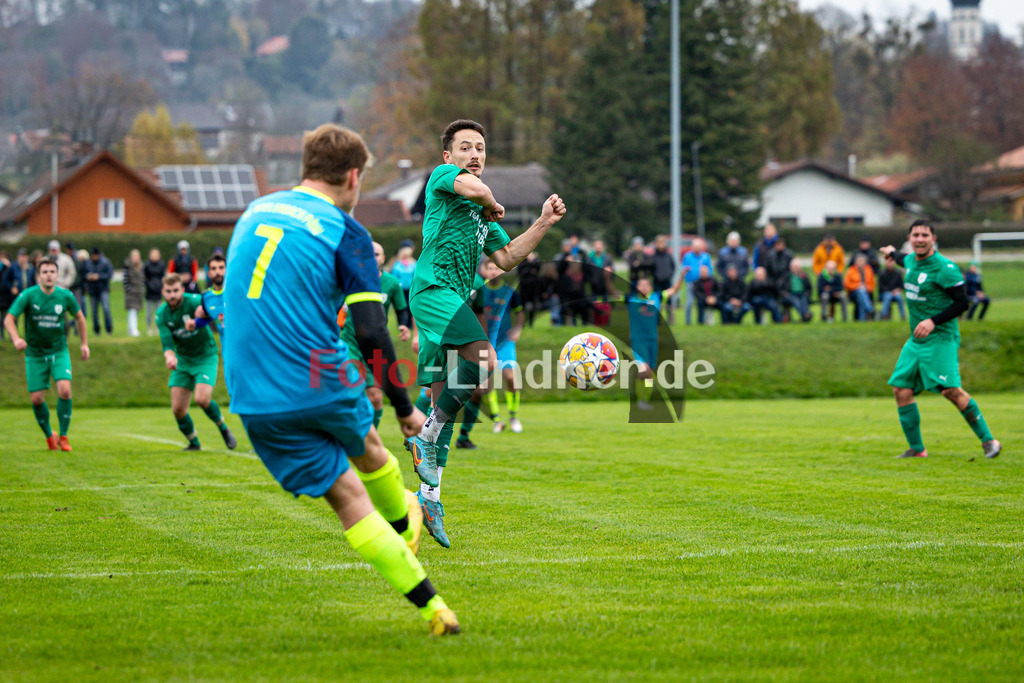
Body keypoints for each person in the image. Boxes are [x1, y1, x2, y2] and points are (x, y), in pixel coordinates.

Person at [223, 123, 458, 635]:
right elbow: (373, 332)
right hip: (316, 375)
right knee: (372, 450)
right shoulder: (345, 231)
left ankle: (434, 606)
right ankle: (409, 525)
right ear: (354, 177)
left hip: (251, 396)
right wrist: (404, 406)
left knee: (349, 498)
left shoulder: (254, 211)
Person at [406, 118, 565, 549]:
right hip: (433, 290)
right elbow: (476, 191)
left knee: (446, 407)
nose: (474, 155)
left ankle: (429, 498)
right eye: (465, 148)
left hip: (450, 299)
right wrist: (492, 200)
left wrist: (544, 221)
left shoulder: (483, 209)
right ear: (448, 156)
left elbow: (509, 255)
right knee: (485, 359)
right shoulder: (443, 179)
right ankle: (422, 437)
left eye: (480, 148)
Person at [881, 220, 1001, 460]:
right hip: (917, 341)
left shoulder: (946, 268)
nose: (920, 239)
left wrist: (933, 321)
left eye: (925, 235)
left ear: (933, 239)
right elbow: (902, 256)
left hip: (942, 337)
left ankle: (989, 441)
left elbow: (962, 303)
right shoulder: (911, 261)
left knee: (951, 391)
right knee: (901, 390)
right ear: (910, 237)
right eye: (916, 235)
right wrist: (890, 252)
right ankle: (917, 449)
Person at [3, 258, 89, 451]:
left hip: (59, 351)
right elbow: (9, 319)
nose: (49, 275)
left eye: (52, 271)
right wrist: (16, 338)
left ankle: (64, 436)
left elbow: (80, 318)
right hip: (35, 354)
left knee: (65, 390)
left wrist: (84, 344)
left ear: (57, 275)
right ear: (38, 275)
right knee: (36, 399)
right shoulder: (28, 295)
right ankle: (50, 436)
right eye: (45, 272)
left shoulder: (65, 296)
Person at [155, 273, 237, 451]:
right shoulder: (161, 314)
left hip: (205, 356)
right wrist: (170, 357)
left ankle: (223, 428)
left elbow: (213, 304)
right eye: (168, 291)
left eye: (176, 290)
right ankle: (194, 443)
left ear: (182, 290)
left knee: (202, 399)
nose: (173, 295)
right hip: (183, 360)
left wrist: (204, 312)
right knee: (177, 409)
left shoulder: (195, 301)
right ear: (163, 292)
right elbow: (167, 344)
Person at [337, 241, 412, 432]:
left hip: (375, 345)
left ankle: (370, 438)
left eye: (376, 254)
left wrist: (404, 325)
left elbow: (402, 310)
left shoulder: (392, 283)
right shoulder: (350, 279)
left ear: (383, 258)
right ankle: (346, 434)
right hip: (350, 342)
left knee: (376, 397)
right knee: (351, 390)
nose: (372, 257)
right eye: (368, 253)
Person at [619, 272, 686, 410]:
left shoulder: (657, 297)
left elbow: (674, 290)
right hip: (637, 340)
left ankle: (645, 399)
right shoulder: (631, 299)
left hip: (652, 340)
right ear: (637, 287)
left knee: (649, 373)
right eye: (640, 285)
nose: (643, 287)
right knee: (644, 368)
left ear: (650, 287)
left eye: (646, 285)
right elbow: (613, 294)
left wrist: (681, 276)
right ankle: (640, 399)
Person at [474, 259, 525, 434]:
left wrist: (518, 329)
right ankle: (497, 419)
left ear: (502, 270)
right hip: (484, 343)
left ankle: (513, 416)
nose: (493, 271)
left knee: (510, 377)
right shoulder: (479, 291)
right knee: (485, 383)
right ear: (485, 270)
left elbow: (520, 313)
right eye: (490, 268)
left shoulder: (509, 292)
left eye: (496, 268)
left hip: (505, 342)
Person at [82, 247, 114, 335]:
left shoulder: (105, 262)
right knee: (94, 311)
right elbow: (83, 275)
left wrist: (98, 276)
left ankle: (109, 329)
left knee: (106, 309)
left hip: (103, 289)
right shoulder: (88, 263)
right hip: (92, 290)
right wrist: (88, 277)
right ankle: (96, 330)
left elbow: (109, 274)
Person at [681, 238, 712, 325]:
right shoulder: (687, 256)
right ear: (692, 247)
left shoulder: (706, 256)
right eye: (696, 246)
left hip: (703, 284)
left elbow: (710, 269)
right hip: (691, 282)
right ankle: (688, 321)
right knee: (689, 302)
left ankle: (703, 321)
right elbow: (683, 268)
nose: (697, 248)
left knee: (703, 301)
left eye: (699, 246)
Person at [844, 253, 875, 321]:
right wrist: (857, 286)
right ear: (856, 262)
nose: (860, 262)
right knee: (860, 292)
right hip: (853, 292)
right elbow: (846, 284)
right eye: (859, 261)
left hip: (866, 291)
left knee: (861, 296)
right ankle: (870, 309)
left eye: (862, 261)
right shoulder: (851, 270)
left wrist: (866, 287)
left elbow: (872, 284)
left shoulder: (868, 270)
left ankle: (862, 319)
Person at [144, 248, 166, 336]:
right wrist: (149, 285)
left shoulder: (161, 264)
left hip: (158, 291)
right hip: (149, 291)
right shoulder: (147, 265)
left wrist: (161, 286)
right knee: (149, 312)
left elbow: (163, 276)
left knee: (159, 311)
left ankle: (158, 328)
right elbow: (144, 277)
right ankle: (149, 328)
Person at [123, 249, 145, 337]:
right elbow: (125, 280)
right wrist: (130, 289)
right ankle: (133, 329)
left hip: (138, 293)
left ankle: (131, 328)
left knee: (135, 311)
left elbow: (143, 280)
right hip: (131, 294)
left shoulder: (141, 267)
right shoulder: (128, 267)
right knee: (132, 311)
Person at [0, 250, 12, 339]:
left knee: (5, 315)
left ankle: (4, 334)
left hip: (6, 295)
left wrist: (8, 266)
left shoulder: (9, 268)